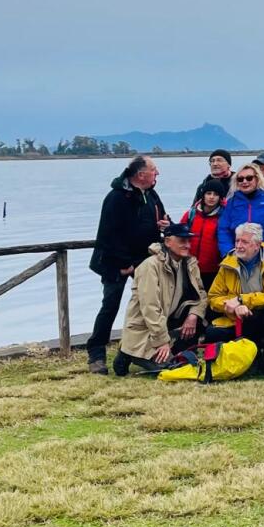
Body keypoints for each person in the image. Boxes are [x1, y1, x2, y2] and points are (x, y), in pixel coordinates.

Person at [87, 156, 170, 375]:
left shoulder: (151, 195)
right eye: (154, 170)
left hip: (144, 259)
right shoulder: (116, 198)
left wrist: (165, 224)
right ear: (141, 174)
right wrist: (126, 265)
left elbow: (161, 216)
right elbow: (108, 234)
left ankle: (139, 350)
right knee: (110, 306)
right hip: (116, 263)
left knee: (152, 302)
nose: (157, 173)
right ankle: (96, 354)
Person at [114, 221, 208, 376]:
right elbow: (150, 308)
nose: (187, 245)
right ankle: (129, 352)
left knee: (183, 361)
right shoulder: (149, 266)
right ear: (168, 242)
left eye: (189, 241)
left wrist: (193, 315)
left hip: (169, 322)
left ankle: (158, 349)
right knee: (169, 368)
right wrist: (162, 342)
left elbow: (202, 295)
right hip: (146, 329)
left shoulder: (190, 264)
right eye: (182, 241)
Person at [208, 224, 264, 373]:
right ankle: (248, 358)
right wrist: (231, 305)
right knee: (212, 333)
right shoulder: (227, 264)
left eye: (244, 242)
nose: (239, 246)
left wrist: (242, 300)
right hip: (238, 317)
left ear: (257, 246)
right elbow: (213, 297)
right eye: (237, 241)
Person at [218, 163, 264, 266]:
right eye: (240, 179)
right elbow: (223, 230)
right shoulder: (232, 203)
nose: (245, 181)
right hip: (239, 259)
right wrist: (228, 253)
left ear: (257, 179)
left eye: (249, 178)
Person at [180, 176, 227, 290]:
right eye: (208, 193)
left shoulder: (224, 217)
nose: (211, 197)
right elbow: (180, 235)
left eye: (215, 194)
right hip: (189, 268)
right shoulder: (191, 214)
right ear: (203, 195)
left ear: (220, 197)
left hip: (213, 271)